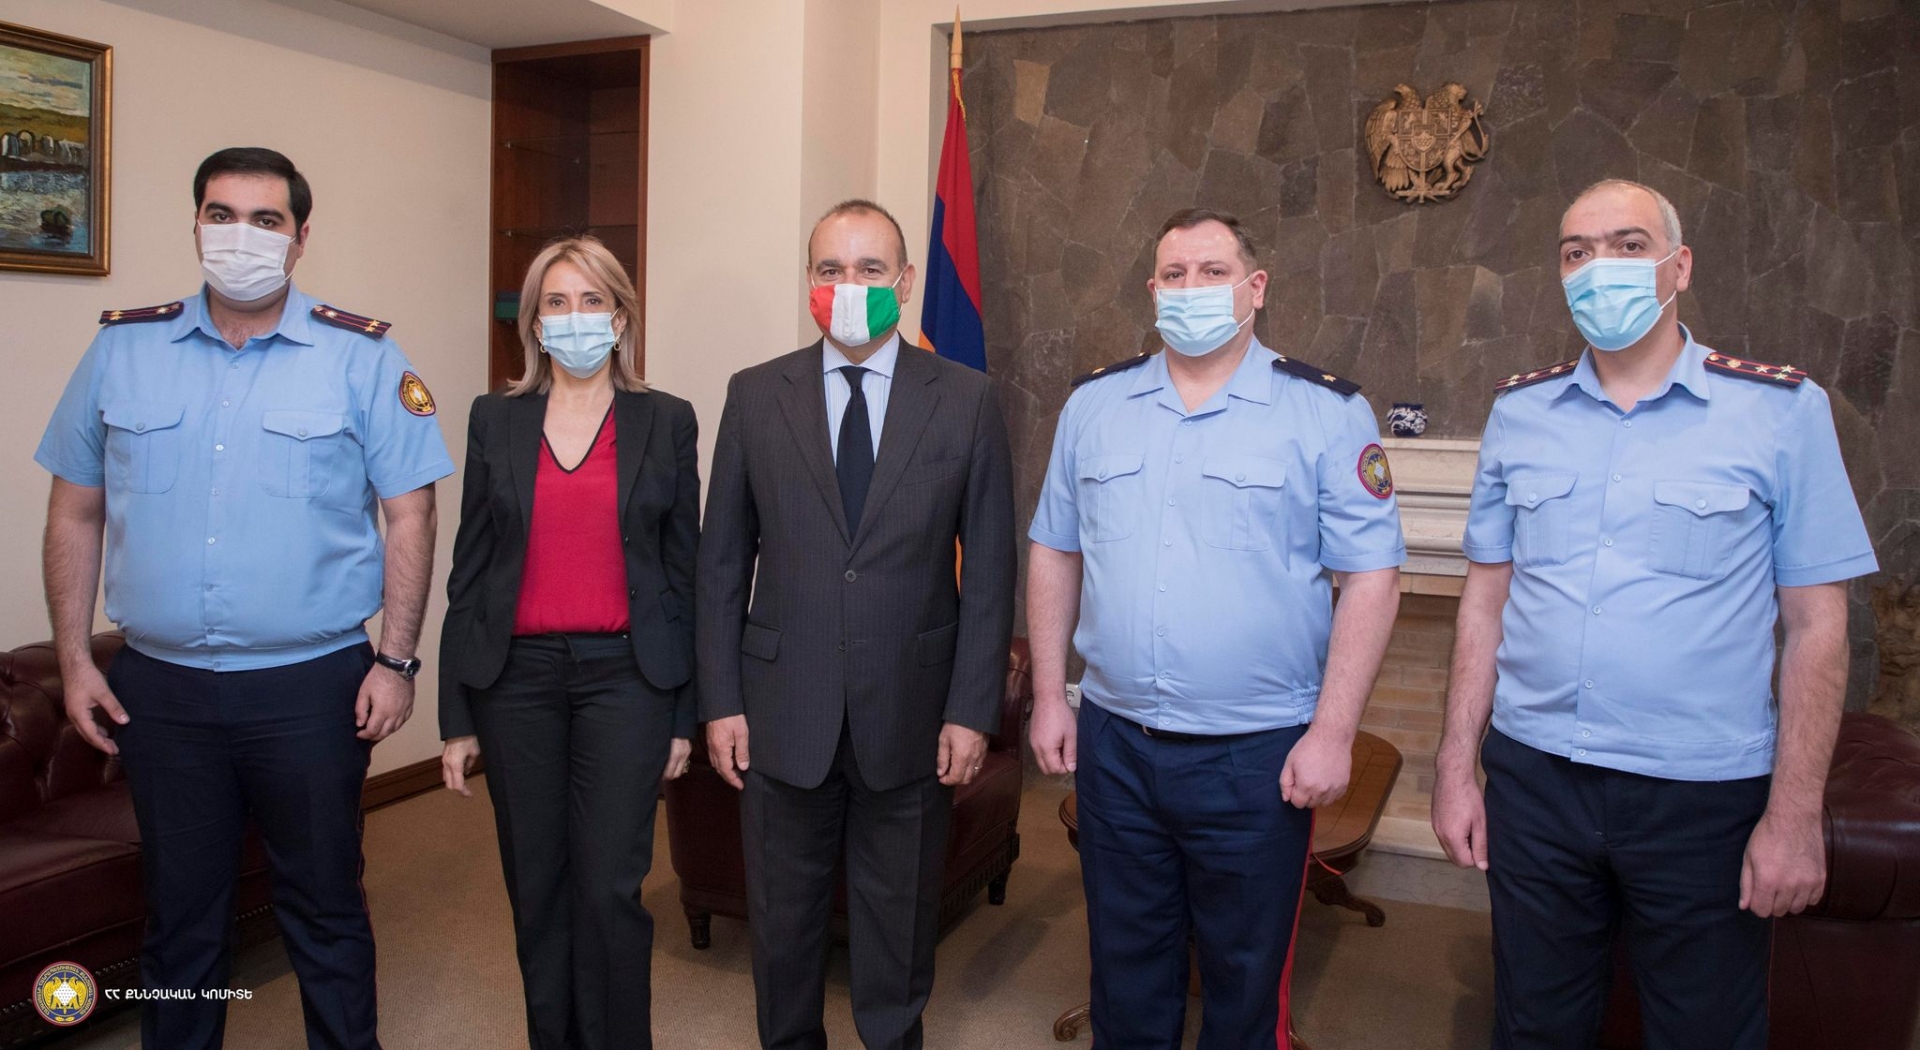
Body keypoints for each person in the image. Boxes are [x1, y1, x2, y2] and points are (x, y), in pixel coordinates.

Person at [1431, 179, 1879, 1050]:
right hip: (1536, 782)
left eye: (1628, 246)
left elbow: (1817, 627)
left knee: (1703, 1031)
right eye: (1577, 253)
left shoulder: (1780, 412)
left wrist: (1794, 817)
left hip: (1701, 797)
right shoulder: (1519, 413)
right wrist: (1455, 765)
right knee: (1533, 1025)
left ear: (1680, 266)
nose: (1600, 267)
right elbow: (1484, 602)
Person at [36, 147, 453, 1050]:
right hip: (163, 691)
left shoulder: (361, 356)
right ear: (195, 225)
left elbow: (411, 514)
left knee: (324, 908)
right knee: (180, 917)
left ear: (300, 239)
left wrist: (396, 660)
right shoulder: (123, 349)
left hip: (311, 687)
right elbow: (74, 510)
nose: (241, 237)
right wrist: (72, 660)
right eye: (220, 215)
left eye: (266, 220)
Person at [1027, 207, 1406, 1050]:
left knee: (1244, 984)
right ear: (1152, 288)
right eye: (1174, 274)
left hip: (1256, 755)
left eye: (1212, 271)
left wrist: (1334, 732)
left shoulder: (1326, 411)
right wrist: (1051, 695)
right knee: (1125, 971)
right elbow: (1054, 549)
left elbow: (1373, 579)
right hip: (1118, 744)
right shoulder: (1094, 405)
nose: (1190, 288)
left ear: (1255, 288)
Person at [696, 198, 1016, 1050]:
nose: (848, 286)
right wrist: (720, 701)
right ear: (808, 280)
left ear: (904, 282)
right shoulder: (755, 395)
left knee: (897, 942)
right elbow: (721, 564)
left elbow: (990, 574)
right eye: (830, 269)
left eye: (869, 269)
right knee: (783, 934)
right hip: (780, 714)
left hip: (912, 717)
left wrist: (971, 710)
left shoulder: (968, 401)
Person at [437, 235, 698, 1050]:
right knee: (537, 889)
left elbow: (686, 579)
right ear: (534, 322)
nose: (574, 316)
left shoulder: (667, 419)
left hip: (628, 681)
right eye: (556, 302)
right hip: (514, 682)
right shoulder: (495, 418)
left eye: (592, 301)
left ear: (620, 318)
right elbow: (469, 574)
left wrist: (684, 715)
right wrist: (455, 716)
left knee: (610, 888)